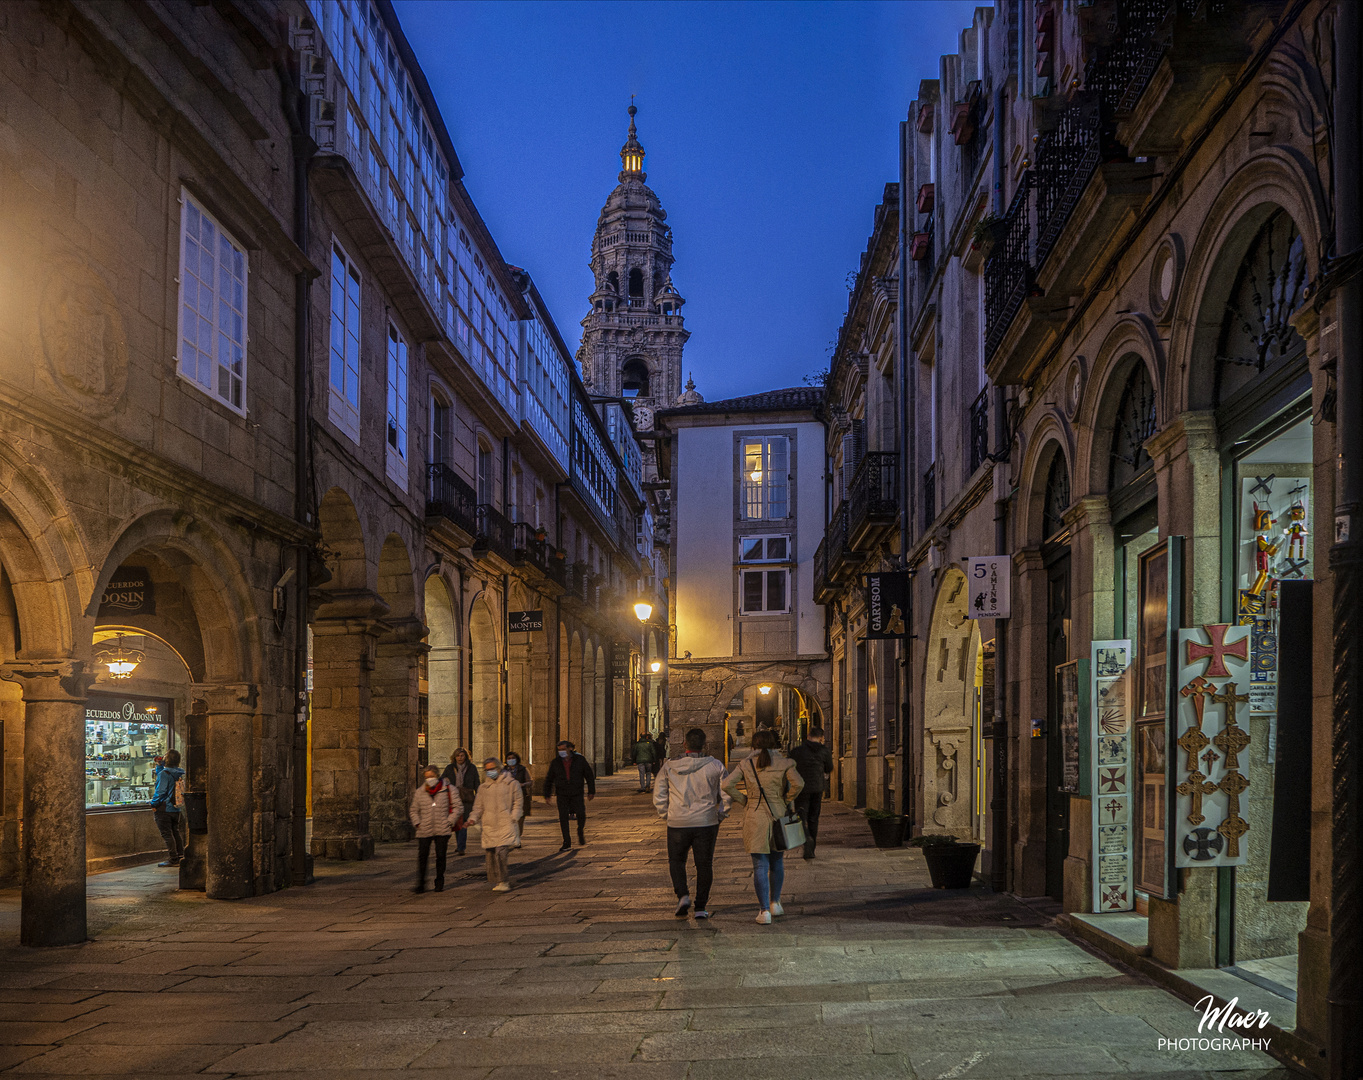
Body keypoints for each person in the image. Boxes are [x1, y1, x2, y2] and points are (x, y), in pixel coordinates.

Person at [722, 728, 804, 924]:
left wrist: (745, 800)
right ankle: (776, 903)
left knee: (759, 864)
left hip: (755, 815)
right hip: (779, 814)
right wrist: (786, 799)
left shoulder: (746, 764)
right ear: (774, 744)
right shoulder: (785, 762)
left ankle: (764, 911)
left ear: (754, 745)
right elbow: (799, 784)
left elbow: (726, 785)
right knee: (777, 862)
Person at [653, 727, 728, 919]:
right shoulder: (715, 765)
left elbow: (659, 794)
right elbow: (728, 793)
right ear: (704, 745)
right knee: (704, 865)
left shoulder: (670, 766)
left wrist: (666, 814)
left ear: (684, 744)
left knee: (676, 861)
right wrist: (721, 814)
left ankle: (683, 895)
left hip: (678, 821)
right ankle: (701, 907)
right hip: (706, 821)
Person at [468, 757, 522, 891]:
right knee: (491, 854)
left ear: (498, 768)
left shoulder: (512, 784)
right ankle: (496, 879)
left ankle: (504, 881)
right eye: (487, 770)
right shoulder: (483, 787)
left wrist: (514, 816)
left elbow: (518, 802)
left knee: (501, 852)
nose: (490, 772)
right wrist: (473, 818)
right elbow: (478, 806)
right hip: (489, 824)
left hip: (505, 823)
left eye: (492, 769)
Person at [408, 766, 460, 893]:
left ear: (437, 776)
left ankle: (439, 880)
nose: (429, 779)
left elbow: (458, 807)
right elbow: (414, 810)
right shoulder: (420, 791)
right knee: (422, 856)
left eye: (431, 776)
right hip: (424, 828)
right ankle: (421, 883)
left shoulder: (448, 789)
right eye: (426, 777)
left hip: (442, 827)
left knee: (441, 856)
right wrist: (417, 823)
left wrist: (450, 821)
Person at [788, 725, 833, 859]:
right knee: (814, 817)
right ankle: (811, 848)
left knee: (801, 815)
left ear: (808, 737)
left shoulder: (797, 751)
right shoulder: (824, 751)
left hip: (800, 788)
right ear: (821, 738)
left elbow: (789, 767)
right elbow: (829, 768)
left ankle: (806, 837)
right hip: (817, 788)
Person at [543, 740, 595, 852]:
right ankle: (566, 841)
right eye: (559, 750)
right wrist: (547, 794)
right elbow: (549, 778)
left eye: (563, 749)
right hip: (562, 793)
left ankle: (580, 830)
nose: (561, 752)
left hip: (576, 792)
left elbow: (589, 775)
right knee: (563, 816)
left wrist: (591, 791)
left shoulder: (579, 760)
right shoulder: (556, 762)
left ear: (569, 749)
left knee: (581, 813)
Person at [441, 747, 479, 855]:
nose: (460, 758)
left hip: (467, 799)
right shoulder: (450, 768)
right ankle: (459, 845)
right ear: (454, 757)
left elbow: (477, 782)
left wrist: (478, 797)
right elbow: (442, 780)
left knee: (463, 823)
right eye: (458, 755)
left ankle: (461, 847)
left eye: (462, 755)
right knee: (456, 823)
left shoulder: (472, 768)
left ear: (466, 757)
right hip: (454, 799)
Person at [150, 750, 185, 867]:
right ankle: (180, 856)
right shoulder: (179, 772)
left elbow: (161, 791)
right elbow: (167, 777)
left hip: (164, 807)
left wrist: (153, 804)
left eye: (165, 757)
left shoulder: (164, 774)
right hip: (176, 807)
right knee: (176, 832)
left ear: (167, 760)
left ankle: (173, 858)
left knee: (167, 834)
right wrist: (160, 767)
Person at [504, 750, 531, 848]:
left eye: (513, 758)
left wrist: (522, 784)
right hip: (507, 797)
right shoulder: (504, 770)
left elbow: (530, 782)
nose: (511, 760)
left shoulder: (523, 769)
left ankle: (517, 837)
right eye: (509, 758)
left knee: (519, 819)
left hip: (521, 796)